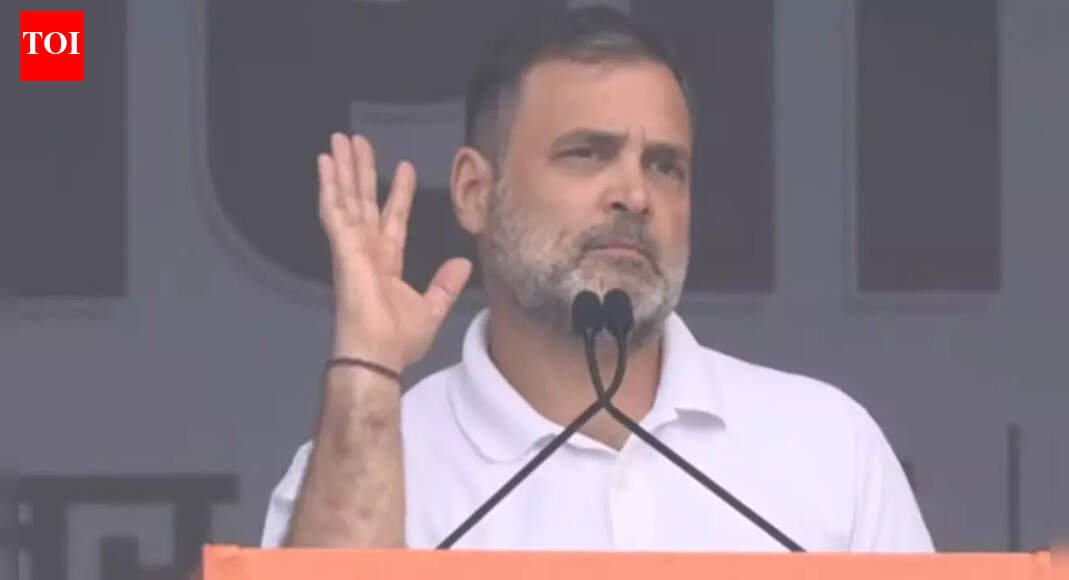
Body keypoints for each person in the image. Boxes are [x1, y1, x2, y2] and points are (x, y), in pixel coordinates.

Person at [260, 6, 933, 552]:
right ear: (472, 192)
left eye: (665, 166)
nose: (634, 195)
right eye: (586, 153)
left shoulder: (828, 447)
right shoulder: (367, 460)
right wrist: (368, 369)